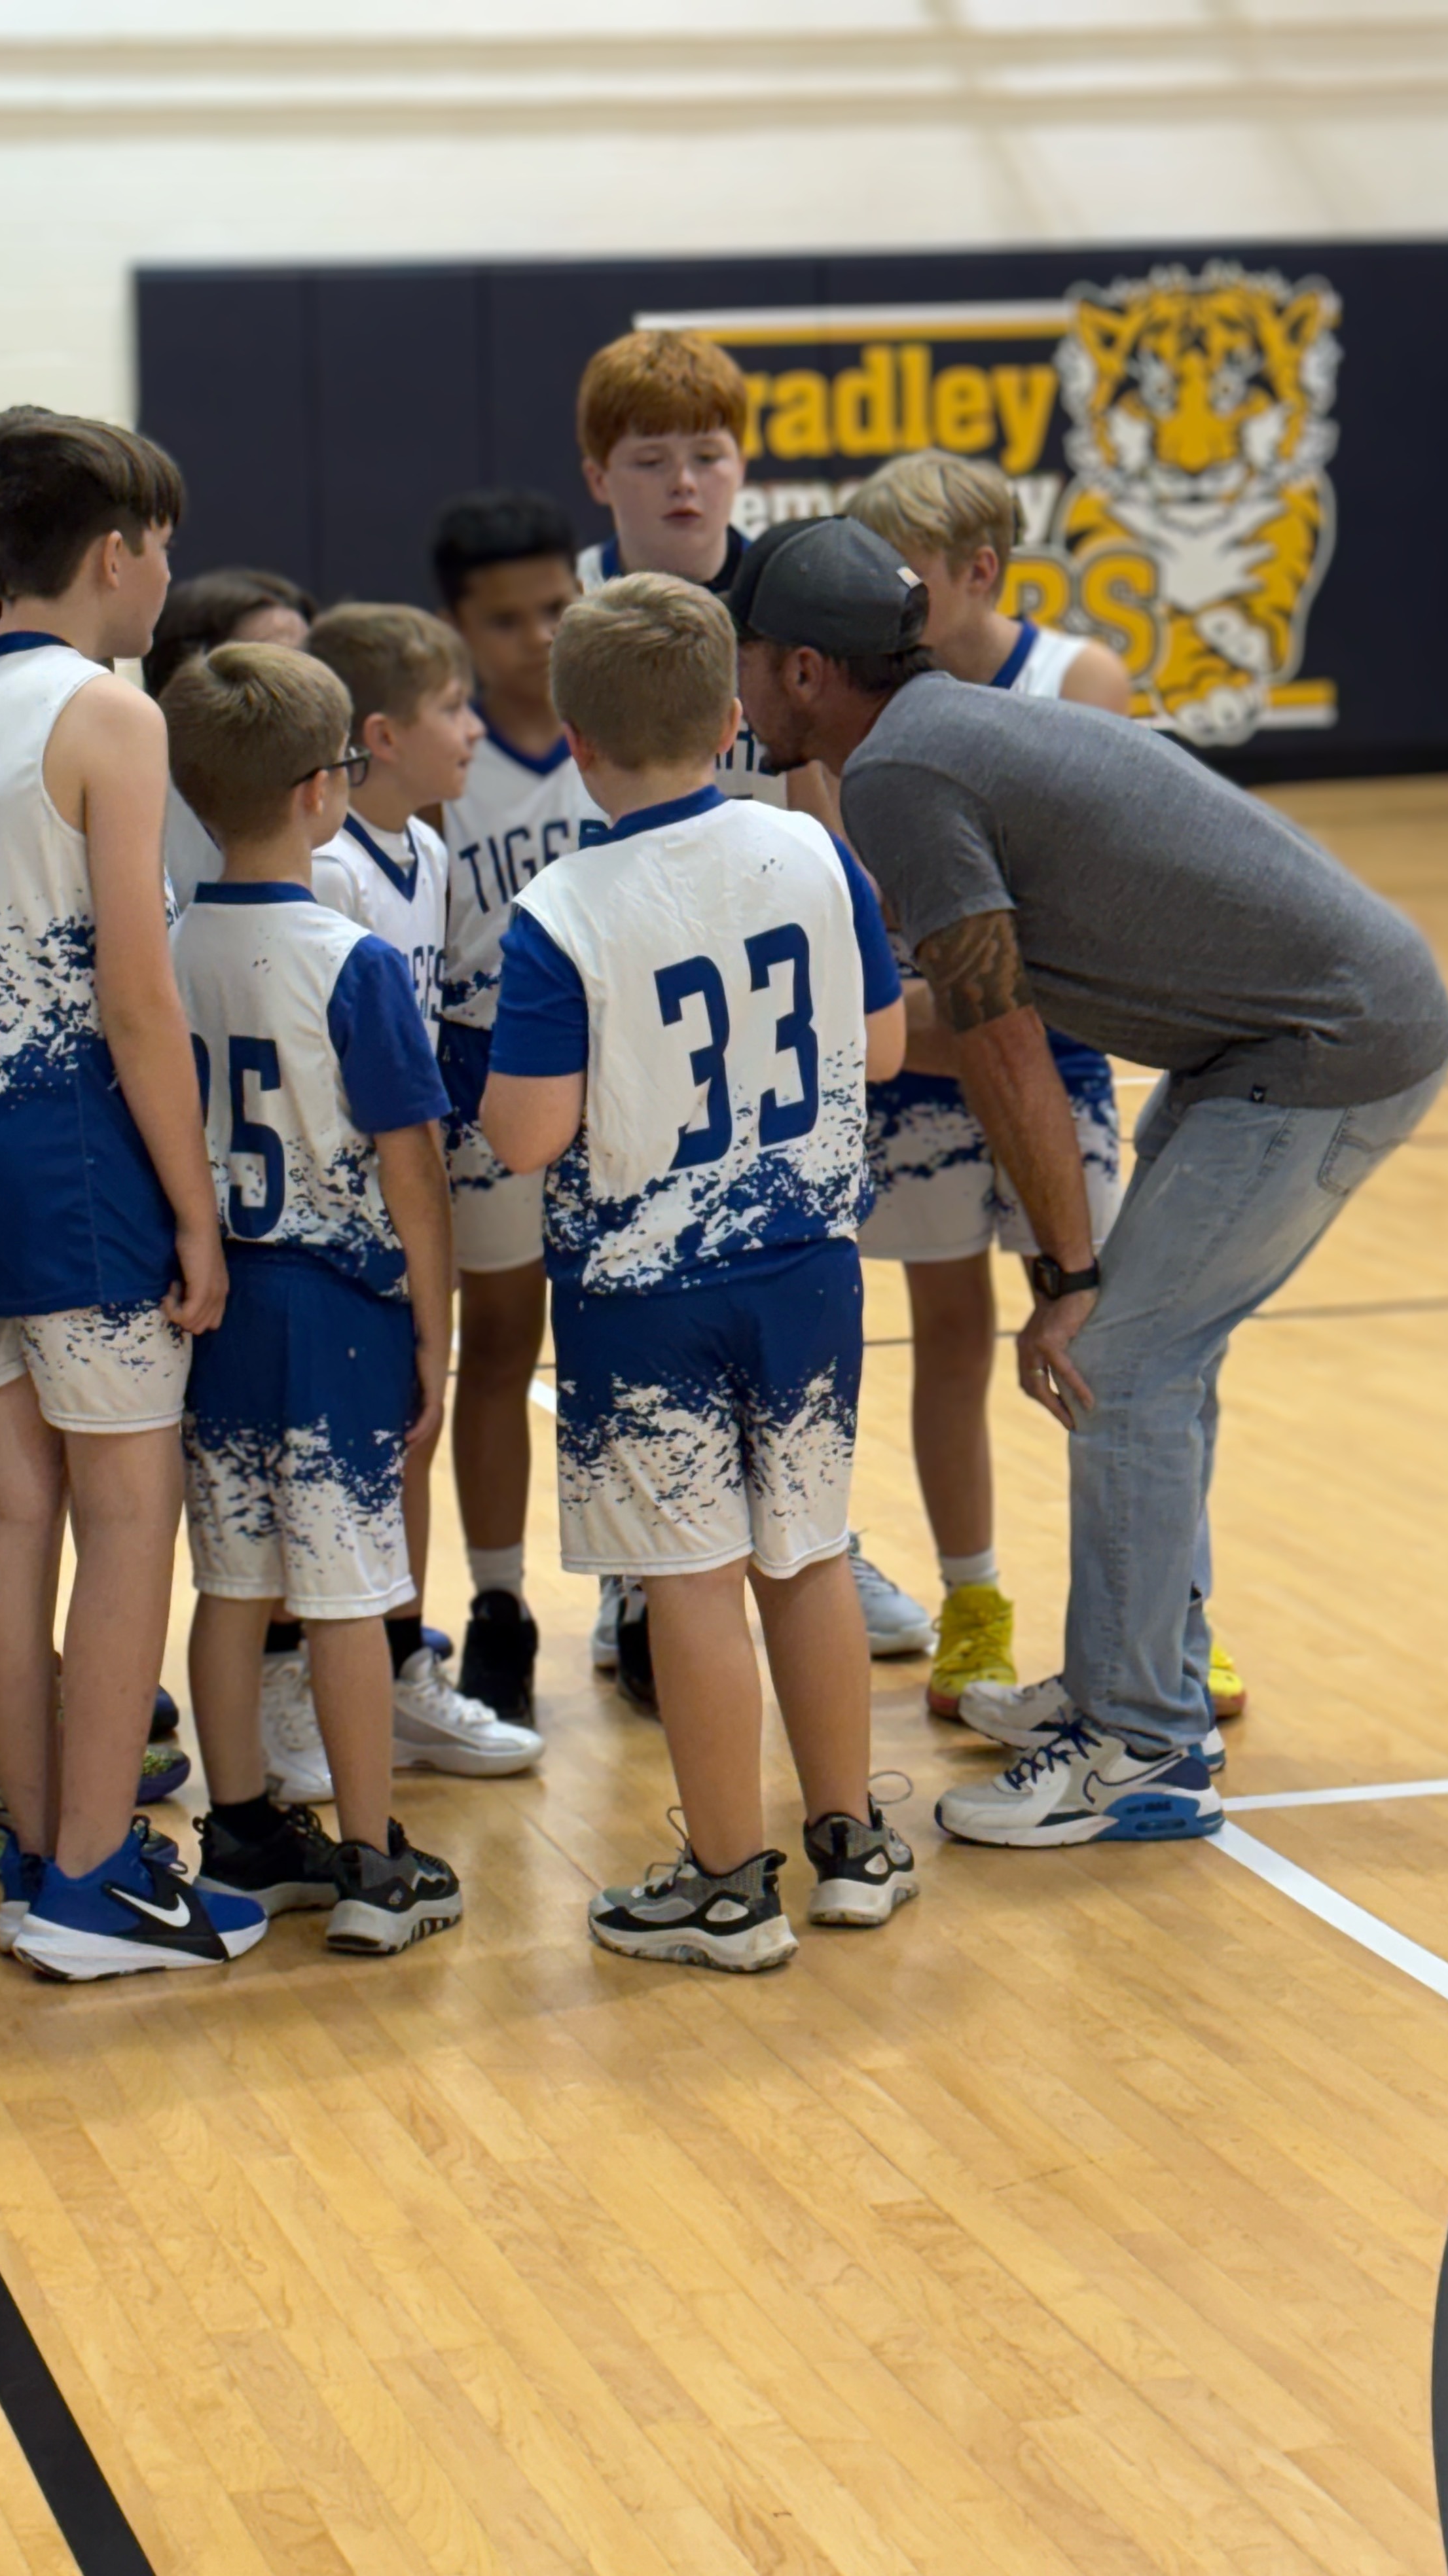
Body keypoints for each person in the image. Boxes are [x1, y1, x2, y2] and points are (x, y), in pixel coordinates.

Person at [734, 513, 1448, 1851]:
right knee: (1154, 1359)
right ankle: (1137, 1677)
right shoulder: (939, 725)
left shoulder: (899, 774)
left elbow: (1004, 1036)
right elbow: (963, 1022)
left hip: (1326, 1050)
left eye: (749, 653)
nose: (737, 680)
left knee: (1119, 1361)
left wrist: (1068, 1278)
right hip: (1267, 1034)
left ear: (803, 674)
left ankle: (1142, 1750)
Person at [0, 407, 263, 1978]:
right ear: (119, 555)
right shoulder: (106, 714)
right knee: (125, 1513)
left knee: (7, 1503)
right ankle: (97, 1877)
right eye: (162, 546)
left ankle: (39, 1842)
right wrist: (193, 1207)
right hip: (68, 1156)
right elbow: (137, 1000)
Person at [482, 574, 916, 1969]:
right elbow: (892, 1048)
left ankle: (731, 1883)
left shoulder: (560, 907)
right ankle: (852, 1842)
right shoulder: (809, 849)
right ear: (735, 716)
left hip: (644, 1300)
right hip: (807, 1273)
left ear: (577, 740)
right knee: (812, 1554)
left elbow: (531, 1130)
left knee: (692, 1582)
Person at [572, 325, 933, 1682]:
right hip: (631, 1027)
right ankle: (636, 1580)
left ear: (743, 467)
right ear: (601, 473)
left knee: (799, 1304)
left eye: (708, 456)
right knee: (638, 1312)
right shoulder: (579, 620)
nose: (683, 483)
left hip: (772, 1029)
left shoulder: (788, 621)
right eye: (653, 458)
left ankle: (817, 1541)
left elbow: (829, 802)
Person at [835, 448, 1204, 1723]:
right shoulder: (871, 704)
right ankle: (975, 1603)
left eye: (907, 579)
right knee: (945, 1339)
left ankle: (1170, 1614)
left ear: (979, 570)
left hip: (1052, 1056)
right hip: (930, 1064)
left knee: (1115, 1338)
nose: (886, 604)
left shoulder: (1075, 679)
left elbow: (1115, 873)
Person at [163, 642, 465, 1952]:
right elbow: (416, 1177)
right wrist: (436, 1346)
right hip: (338, 1305)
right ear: (318, 792)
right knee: (346, 1592)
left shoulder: (166, 946)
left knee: (233, 1585)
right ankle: (371, 1859)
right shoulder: (355, 962)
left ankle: (240, 1832)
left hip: (216, 1304)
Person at [302, 599, 544, 1783]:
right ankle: (310, 1683)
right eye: (451, 707)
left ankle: (397, 1666)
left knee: (401, 1436)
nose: (472, 727)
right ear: (378, 735)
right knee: (329, 1461)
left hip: (407, 1199)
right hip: (323, 1214)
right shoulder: (323, 872)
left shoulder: (430, 853)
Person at [429, 490, 603, 1725]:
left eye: (556, 606)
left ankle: (646, 1590)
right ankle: (497, 1599)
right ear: (457, 625)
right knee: (495, 1344)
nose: (539, 636)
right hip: (485, 1082)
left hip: (627, 1081)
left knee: (623, 1345)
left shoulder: (622, 735)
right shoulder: (442, 765)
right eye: (506, 619)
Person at [142, 565, 317, 904]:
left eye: (309, 659)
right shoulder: (136, 800)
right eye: (277, 660)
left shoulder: (323, 789)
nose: (305, 685)